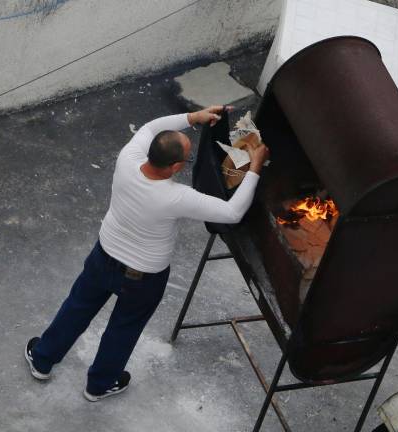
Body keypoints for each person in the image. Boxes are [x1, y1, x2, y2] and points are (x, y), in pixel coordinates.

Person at [24, 106, 270, 401]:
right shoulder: (175, 197)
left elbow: (150, 126)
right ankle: (99, 385)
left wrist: (193, 118)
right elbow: (232, 212)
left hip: (103, 257)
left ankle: (42, 360)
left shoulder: (128, 159)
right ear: (176, 167)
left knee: (77, 307)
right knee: (123, 329)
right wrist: (255, 166)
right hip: (143, 279)